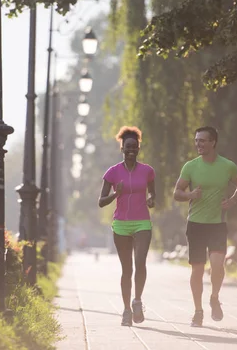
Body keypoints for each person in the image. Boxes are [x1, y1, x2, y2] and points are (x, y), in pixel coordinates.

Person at [173, 126, 237, 327]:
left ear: (213, 142)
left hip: (217, 224)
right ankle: (198, 311)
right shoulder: (190, 166)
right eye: (197, 141)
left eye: (203, 141)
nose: (199, 144)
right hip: (196, 224)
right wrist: (190, 195)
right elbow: (176, 193)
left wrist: (231, 202)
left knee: (217, 265)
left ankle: (214, 297)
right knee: (197, 270)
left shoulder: (228, 166)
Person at [99, 126, 156, 327]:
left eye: (135, 146)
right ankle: (126, 310)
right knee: (127, 269)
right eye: (127, 146)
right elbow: (101, 201)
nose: (131, 149)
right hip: (121, 224)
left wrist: (151, 200)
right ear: (122, 148)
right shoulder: (112, 172)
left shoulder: (147, 171)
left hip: (142, 222)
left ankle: (137, 301)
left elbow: (152, 194)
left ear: (138, 148)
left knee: (140, 262)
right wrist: (116, 194)